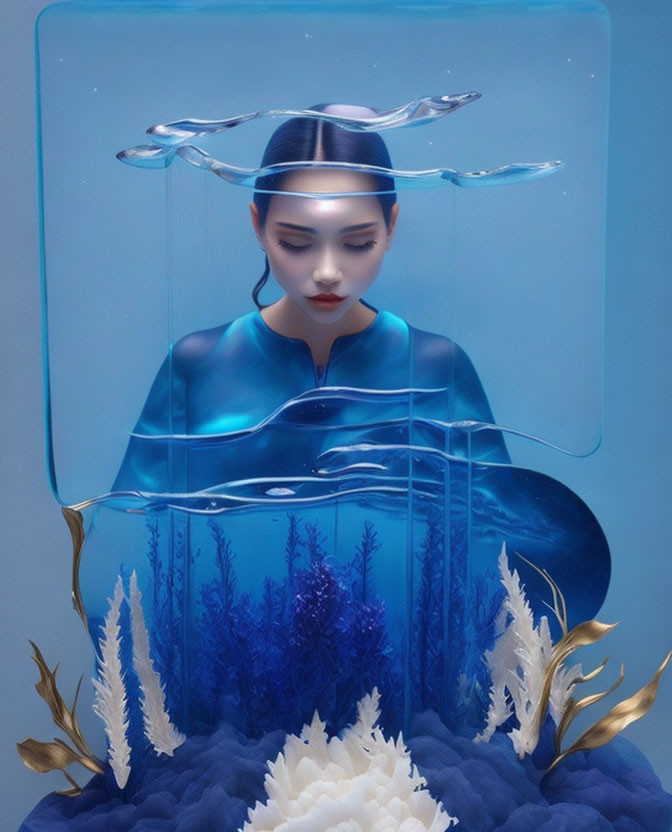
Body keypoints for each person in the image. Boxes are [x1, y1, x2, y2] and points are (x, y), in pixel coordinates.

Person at [113, 108, 509, 498]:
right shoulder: (197, 364)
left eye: (357, 243)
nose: (327, 272)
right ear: (258, 226)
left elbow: (504, 524)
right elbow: (131, 522)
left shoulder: (436, 367)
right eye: (296, 243)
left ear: (391, 227)